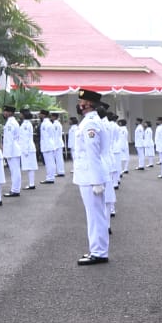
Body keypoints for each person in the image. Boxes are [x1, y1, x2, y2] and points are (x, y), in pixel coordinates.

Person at [72, 90, 112, 265]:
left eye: (81, 101)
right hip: (88, 174)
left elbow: (93, 153)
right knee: (94, 214)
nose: (79, 104)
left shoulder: (90, 124)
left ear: (88, 104)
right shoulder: (90, 122)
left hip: (90, 175)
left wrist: (96, 180)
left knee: (95, 215)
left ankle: (99, 252)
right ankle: (97, 250)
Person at [0, 105, 24, 197]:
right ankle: (15, 189)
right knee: (15, 170)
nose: (4, 113)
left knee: (15, 171)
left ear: (10, 112)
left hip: (12, 150)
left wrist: (7, 153)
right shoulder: (12, 122)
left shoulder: (10, 123)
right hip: (14, 149)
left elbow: (9, 140)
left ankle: (15, 190)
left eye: (5, 111)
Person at [39, 110, 62, 183]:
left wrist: (45, 147)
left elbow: (45, 136)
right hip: (49, 145)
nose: (39, 115)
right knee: (51, 162)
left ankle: (50, 178)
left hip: (47, 145)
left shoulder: (45, 124)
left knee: (49, 162)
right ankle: (50, 177)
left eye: (40, 114)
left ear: (43, 115)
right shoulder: (48, 123)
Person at [19, 109, 39, 190]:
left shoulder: (26, 125)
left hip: (28, 148)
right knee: (29, 167)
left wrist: (25, 150)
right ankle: (31, 183)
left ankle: (31, 184)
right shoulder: (26, 124)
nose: (20, 115)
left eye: (21, 114)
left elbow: (26, 138)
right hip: (27, 148)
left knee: (30, 167)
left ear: (23, 115)